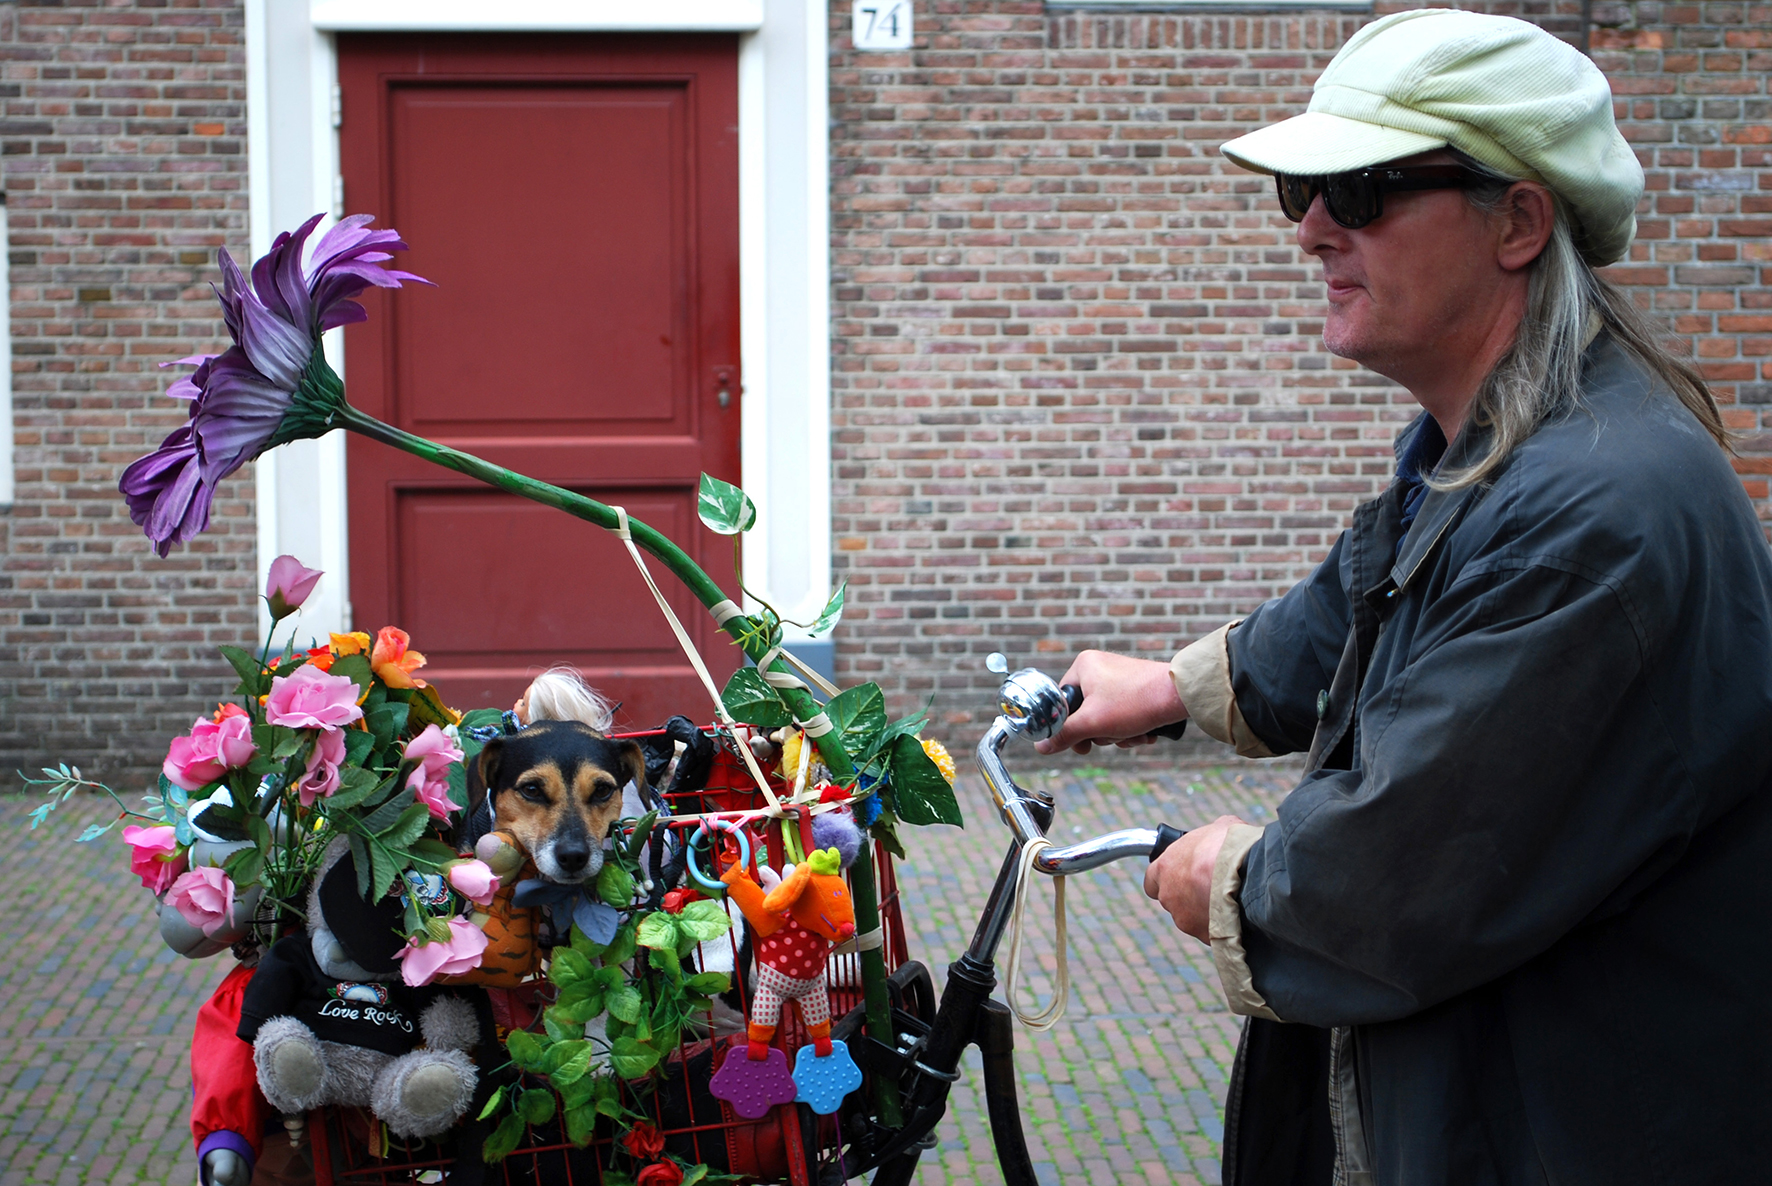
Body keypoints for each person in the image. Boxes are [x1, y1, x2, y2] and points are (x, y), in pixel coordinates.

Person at [1039, 10, 1772, 1185]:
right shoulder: (1487, 444)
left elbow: (1373, 889)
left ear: (1518, 221)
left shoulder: (1597, 517)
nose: (1313, 229)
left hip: (1557, 1126)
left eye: (1362, 188)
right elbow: (1353, 604)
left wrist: (1219, 868)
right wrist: (1166, 688)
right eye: (1303, 193)